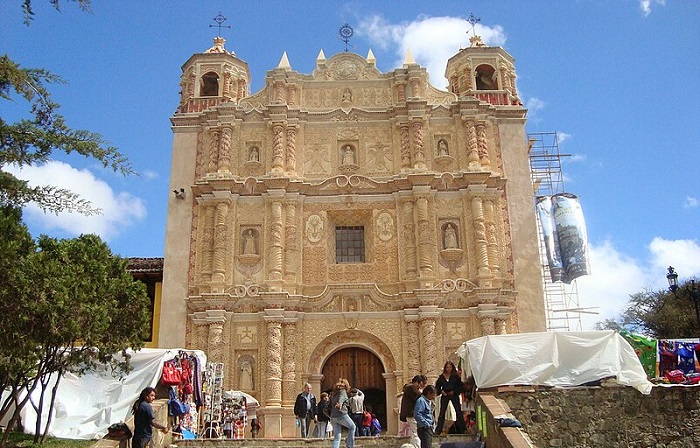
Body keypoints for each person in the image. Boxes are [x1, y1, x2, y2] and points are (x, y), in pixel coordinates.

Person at [435, 361, 466, 435]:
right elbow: (437, 387)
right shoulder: (442, 377)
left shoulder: (455, 377)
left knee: (458, 411)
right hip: (445, 395)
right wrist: (441, 392)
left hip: (454, 395)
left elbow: (460, 386)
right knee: (442, 413)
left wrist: (454, 392)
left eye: (450, 367)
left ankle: (463, 429)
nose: (448, 369)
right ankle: (438, 430)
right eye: (447, 367)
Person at [400, 374, 427, 448]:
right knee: (415, 432)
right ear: (420, 382)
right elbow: (419, 396)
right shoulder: (411, 388)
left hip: (413, 414)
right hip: (412, 414)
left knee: (414, 432)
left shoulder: (410, 388)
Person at [330, 378, 356, 448]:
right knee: (352, 427)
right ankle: (349, 445)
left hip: (333, 417)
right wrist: (340, 404)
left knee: (337, 437)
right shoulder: (343, 391)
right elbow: (341, 398)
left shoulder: (332, 393)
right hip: (341, 414)